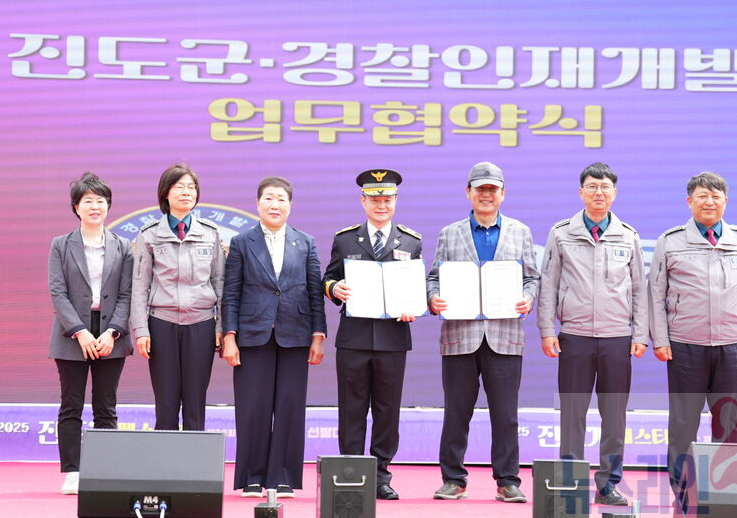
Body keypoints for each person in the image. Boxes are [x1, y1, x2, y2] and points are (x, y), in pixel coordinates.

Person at [648, 171, 737, 496]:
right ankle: (681, 489)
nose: (709, 202)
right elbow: (655, 296)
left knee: (727, 420)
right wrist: (660, 339)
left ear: (726, 201)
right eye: (702, 196)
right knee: (683, 421)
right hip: (685, 346)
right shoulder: (670, 241)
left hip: (733, 345)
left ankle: (725, 489)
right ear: (689, 201)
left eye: (716, 196)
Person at [426, 161, 540, 503]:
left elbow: (531, 278)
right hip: (459, 336)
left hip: (505, 336)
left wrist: (528, 298)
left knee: (505, 415)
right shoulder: (450, 233)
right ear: (468, 193)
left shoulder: (520, 232)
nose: (486, 195)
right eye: (480, 189)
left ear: (503, 194)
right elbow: (434, 277)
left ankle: (508, 481)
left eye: (492, 189)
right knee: (456, 412)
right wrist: (434, 299)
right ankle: (453, 479)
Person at [536, 162, 647, 506]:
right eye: (592, 187)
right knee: (573, 413)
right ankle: (570, 480)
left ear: (614, 193)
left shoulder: (628, 235)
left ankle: (608, 483)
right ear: (581, 192)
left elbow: (639, 289)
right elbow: (549, 284)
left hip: (617, 338)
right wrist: (547, 330)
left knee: (614, 414)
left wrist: (640, 334)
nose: (599, 192)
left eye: (605, 187)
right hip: (574, 336)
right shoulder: (561, 233)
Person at [221, 176, 327, 498]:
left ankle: (283, 476)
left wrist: (318, 335)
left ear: (290, 205)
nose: (275, 204)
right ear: (257, 204)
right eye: (268, 198)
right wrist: (229, 336)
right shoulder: (242, 242)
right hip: (253, 335)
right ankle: (252, 476)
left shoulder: (305, 242)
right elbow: (231, 293)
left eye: (281, 199)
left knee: (289, 406)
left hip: (296, 334)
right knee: (252, 406)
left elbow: (315, 292)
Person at [322, 169, 422, 500]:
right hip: (354, 338)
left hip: (393, 339)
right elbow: (328, 278)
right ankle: (351, 472)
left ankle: (381, 476)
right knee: (351, 408)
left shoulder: (411, 241)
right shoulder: (345, 239)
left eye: (388, 199)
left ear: (396, 201)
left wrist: (413, 306)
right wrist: (335, 288)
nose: (382, 205)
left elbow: (417, 288)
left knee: (387, 411)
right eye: (375, 199)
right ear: (363, 201)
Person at [47, 172, 134, 495]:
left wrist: (112, 332)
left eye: (100, 201)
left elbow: (127, 294)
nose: (95, 206)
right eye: (88, 201)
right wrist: (80, 332)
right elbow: (58, 292)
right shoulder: (61, 245)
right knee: (71, 404)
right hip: (72, 335)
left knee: (105, 406)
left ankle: (103, 471)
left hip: (111, 335)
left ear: (108, 206)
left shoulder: (123, 246)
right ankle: (72, 471)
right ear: (76, 207)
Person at [130, 163, 225, 430]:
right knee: (166, 404)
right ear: (166, 193)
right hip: (162, 324)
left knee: (196, 404)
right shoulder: (149, 235)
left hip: (201, 325)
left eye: (191, 187)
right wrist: (141, 330)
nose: (187, 192)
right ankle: (165, 457)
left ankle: (195, 458)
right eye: (179, 187)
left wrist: (221, 326)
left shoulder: (210, 233)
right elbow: (139, 286)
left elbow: (221, 283)